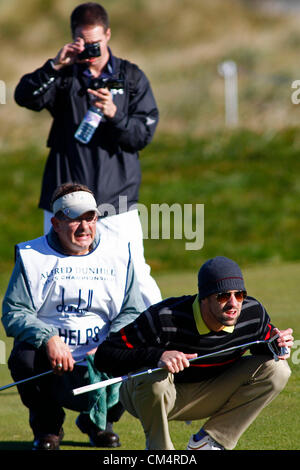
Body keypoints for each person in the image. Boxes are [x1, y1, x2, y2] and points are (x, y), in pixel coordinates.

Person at [14, 2, 162, 308]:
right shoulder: (64, 76)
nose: (91, 50)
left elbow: (142, 136)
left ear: (108, 34)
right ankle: (52, 347)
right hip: (64, 203)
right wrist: (55, 65)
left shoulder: (131, 77)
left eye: (96, 42)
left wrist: (114, 113)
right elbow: (24, 96)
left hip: (116, 201)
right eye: (84, 43)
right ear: (73, 38)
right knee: (54, 276)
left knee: (135, 276)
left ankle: (159, 346)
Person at [94, 256, 294, 450]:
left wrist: (277, 345)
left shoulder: (252, 313)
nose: (234, 304)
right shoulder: (164, 318)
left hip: (207, 393)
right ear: (204, 298)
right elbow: (105, 356)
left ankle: (209, 442)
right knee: (154, 375)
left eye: (239, 294)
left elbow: (263, 346)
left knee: (278, 369)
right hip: (153, 395)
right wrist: (157, 356)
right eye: (223, 296)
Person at [1, 183, 146, 450]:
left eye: (89, 217)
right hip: (53, 362)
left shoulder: (119, 253)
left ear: (97, 218)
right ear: (56, 223)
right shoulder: (33, 256)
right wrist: (49, 338)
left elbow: (133, 310)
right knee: (24, 358)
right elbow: (13, 312)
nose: (83, 227)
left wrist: (110, 345)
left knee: (136, 351)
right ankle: (48, 427)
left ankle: (99, 424)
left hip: (101, 357)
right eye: (73, 218)